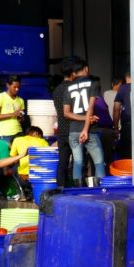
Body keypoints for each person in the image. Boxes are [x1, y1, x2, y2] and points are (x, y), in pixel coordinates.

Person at [64, 60, 106, 182]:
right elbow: (90, 108)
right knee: (99, 162)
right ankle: (101, 191)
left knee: (77, 162)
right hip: (89, 131)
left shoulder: (68, 88)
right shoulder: (92, 84)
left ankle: (78, 191)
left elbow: (66, 113)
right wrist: (85, 129)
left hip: (73, 131)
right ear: (86, 69)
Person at [51, 57, 78, 187]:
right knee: (78, 161)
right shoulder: (74, 89)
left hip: (61, 129)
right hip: (74, 128)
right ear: (72, 73)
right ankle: (76, 188)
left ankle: (60, 189)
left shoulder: (56, 90)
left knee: (63, 162)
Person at [0, 76, 25, 143]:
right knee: (7, 153)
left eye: (18, 87)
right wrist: (13, 114)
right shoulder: (0, 97)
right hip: (6, 134)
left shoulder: (20, 100)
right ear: (8, 85)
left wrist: (21, 118)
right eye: (14, 87)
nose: (17, 89)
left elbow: (22, 119)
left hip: (19, 132)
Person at [112, 72, 132, 159]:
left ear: (126, 77)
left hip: (128, 125)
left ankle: (129, 172)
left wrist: (116, 128)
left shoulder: (123, 88)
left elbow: (116, 108)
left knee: (126, 154)